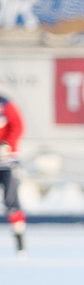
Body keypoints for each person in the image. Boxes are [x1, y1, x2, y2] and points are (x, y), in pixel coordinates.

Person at [0, 93, 26, 257]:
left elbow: (18, 125)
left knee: (11, 201)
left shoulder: (5, 103)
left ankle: (20, 242)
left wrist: (7, 144)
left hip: (7, 161)